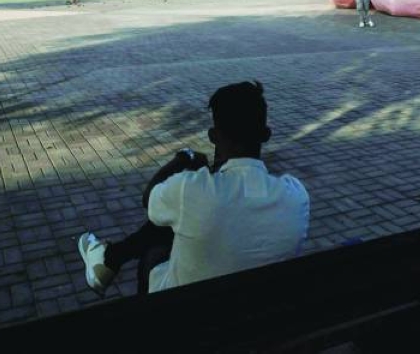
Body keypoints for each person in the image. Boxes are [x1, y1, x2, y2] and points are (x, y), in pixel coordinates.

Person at [77, 80, 309, 296]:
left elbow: (150, 200)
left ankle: (108, 261)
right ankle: (109, 259)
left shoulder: (192, 189)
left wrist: (182, 159)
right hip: (263, 318)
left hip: (189, 321)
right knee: (189, 217)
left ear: (213, 136)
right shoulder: (296, 196)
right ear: (266, 135)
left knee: (159, 246)